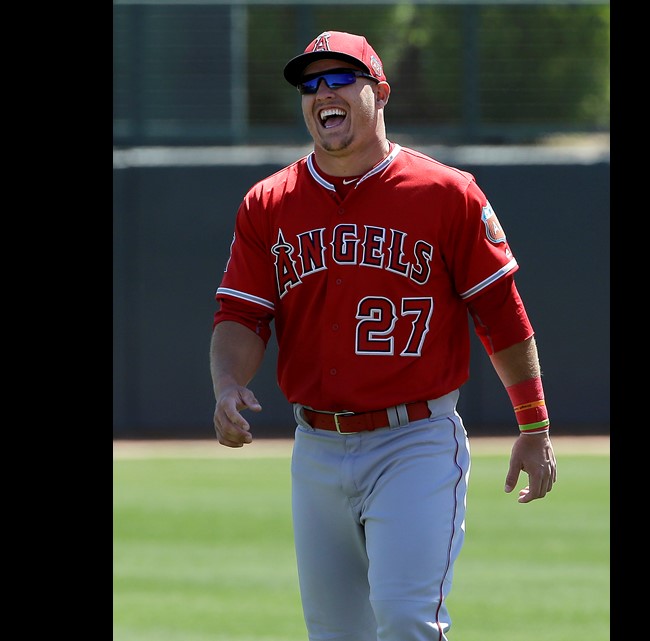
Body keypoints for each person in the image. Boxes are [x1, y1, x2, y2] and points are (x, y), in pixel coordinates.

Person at [209, 30, 557, 641]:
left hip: (414, 440)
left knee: (405, 620)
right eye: (310, 85)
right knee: (336, 634)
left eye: (340, 79)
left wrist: (534, 426)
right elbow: (241, 314)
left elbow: (501, 314)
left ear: (380, 93)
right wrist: (227, 384)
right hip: (315, 444)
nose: (323, 94)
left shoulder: (447, 194)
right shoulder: (269, 202)